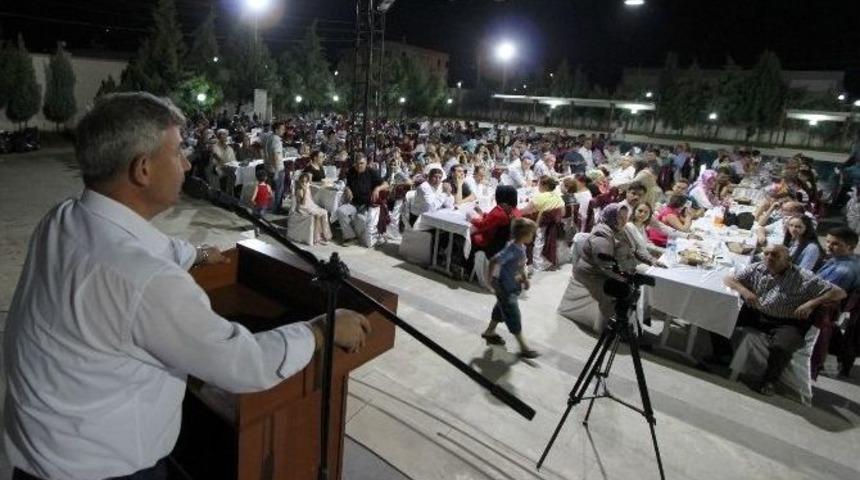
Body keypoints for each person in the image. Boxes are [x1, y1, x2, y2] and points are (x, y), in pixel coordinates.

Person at [3, 93, 370, 480]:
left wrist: (193, 253)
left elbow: (133, 249)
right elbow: (244, 364)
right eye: (178, 152)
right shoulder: (148, 281)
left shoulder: (63, 218)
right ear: (143, 169)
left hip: (38, 456)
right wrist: (320, 330)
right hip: (104, 472)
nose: (187, 162)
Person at [711, 245, 845, 395]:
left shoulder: (803, 277)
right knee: (717, 314)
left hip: (787, 322)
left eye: (775, 255)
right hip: (758, 314)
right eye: (766, 254)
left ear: (787, 260)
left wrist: (811, 303)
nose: (769, 258)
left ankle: (769, 381)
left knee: (782, 347)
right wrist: (744, 291)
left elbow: (839, 293)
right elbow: (729, 279)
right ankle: (723, 354)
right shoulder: (758, 268)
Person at [558, 203, 638, 332]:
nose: (624, 221)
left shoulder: (618, 230)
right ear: (611, 217)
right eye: (620, 218)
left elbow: (633, 250)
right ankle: (604, 328)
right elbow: (605, 265)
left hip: (601, 271)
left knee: (631, 287)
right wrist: (623, 278)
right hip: (591, 274)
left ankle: (624, 323)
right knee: (622, 291)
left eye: (625, 217)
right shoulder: (602, 234)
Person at [481, 218, 541, 359]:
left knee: (501, 307)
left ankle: (490, 331)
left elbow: (520, 265)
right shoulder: (513, 249)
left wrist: (524, 279)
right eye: (532, 234)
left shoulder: (520, 247)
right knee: (513, 314)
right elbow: (494, 260)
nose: (533, 236)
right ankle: (524, 347)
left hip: (511, 286)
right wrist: (489, 280)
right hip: (504, 287)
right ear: (524, 235)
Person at [818, 228, 860, 378]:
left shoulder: (844, 270)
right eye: (828, 241)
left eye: (835, 244)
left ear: (851, 247)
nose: (828, 246)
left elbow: (820, 293)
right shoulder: (842, 259)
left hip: (823, 310)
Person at [336, 154, 389, 246]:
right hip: (354, 203)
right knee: (340, 211)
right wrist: (347, 188)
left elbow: (386, 185)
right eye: (357, 163)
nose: (359, 166)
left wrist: (377, 189)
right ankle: (351, 237)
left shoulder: (371, 172)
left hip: (367, 205)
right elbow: (347, 184)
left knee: (363, 220)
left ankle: (376, 236)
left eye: (362, 163)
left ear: (366, 163)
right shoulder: (351, 171)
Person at [470, 186, 522, 258]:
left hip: (489, 242)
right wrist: (482, 214)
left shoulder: (499, 211)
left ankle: (466, 263)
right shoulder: (516, 211)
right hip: (504, 244)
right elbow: (492, 219)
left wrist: (471, 219)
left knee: (468, 234)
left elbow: (482, 225)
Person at [294, 172, 332, 245]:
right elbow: (303, 203)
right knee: (317, 215)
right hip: (303, 208)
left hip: (310, 205)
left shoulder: (307, 187)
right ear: (300, 181)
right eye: (302, 182)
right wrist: (305, 191)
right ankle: (316, 238)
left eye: (306, 181)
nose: (304, 183)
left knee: (324, 212)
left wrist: (314, 205)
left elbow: (310, 198)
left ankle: (325, 234)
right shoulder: (299, 191)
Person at [262, 121, 287, 213]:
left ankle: (269, 206)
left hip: (269, 167)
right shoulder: (276, 139)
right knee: (279, 190)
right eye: (282, 129)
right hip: (277, 168)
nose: (284, 131)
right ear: (276, 130)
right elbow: (275, 155)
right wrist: (277, 170)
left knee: (271, 189)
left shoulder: (269, 137)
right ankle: (277, 209)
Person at [209, 128, 237, 194]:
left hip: (228, 167)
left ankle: (232, 193)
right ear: (219, 136)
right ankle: (226, 193)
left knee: (235, 172)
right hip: (217, 167)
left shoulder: (229, 148)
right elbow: (217, 159)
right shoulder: (214, 147)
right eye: (223, 135)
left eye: (226, 135)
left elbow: (233, 160)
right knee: (229, 173)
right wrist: (226, 164)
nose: (225, 136)